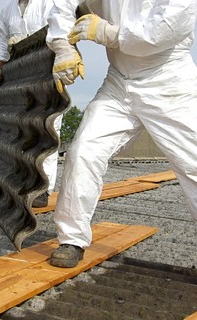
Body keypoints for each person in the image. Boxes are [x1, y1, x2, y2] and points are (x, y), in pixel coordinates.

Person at [46, 0, 197, 268]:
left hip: (169, 82)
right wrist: (63, 47)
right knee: (83, 151)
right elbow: (63, 3)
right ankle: (72, 239)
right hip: (119, 82)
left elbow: (163, 31)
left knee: (193, 165)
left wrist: (107, 33)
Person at [0, 0, 63, 208]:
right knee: (21, 128)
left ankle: (43, 188)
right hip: (19, 72)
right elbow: (2, 43)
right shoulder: (8, 10)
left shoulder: (49, 3)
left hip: (48, 69)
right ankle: (21, 182)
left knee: (48, 128)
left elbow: (63, 31)